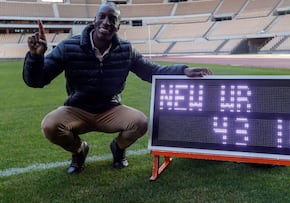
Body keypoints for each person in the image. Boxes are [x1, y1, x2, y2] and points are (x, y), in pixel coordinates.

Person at [23, 2, 212, 174]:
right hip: (77, 109)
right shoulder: (69, 47)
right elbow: (37, 80)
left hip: (110, 109)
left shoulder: (126, 50)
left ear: (118, 26)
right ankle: (79, 150)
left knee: (140, 122)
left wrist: (183, 70)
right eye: (102, 16)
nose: (107, 22)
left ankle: (118, 148)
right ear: (94, 20)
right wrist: (36, 57)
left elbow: (151, 71)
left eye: (112, 19)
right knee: (50, 126)